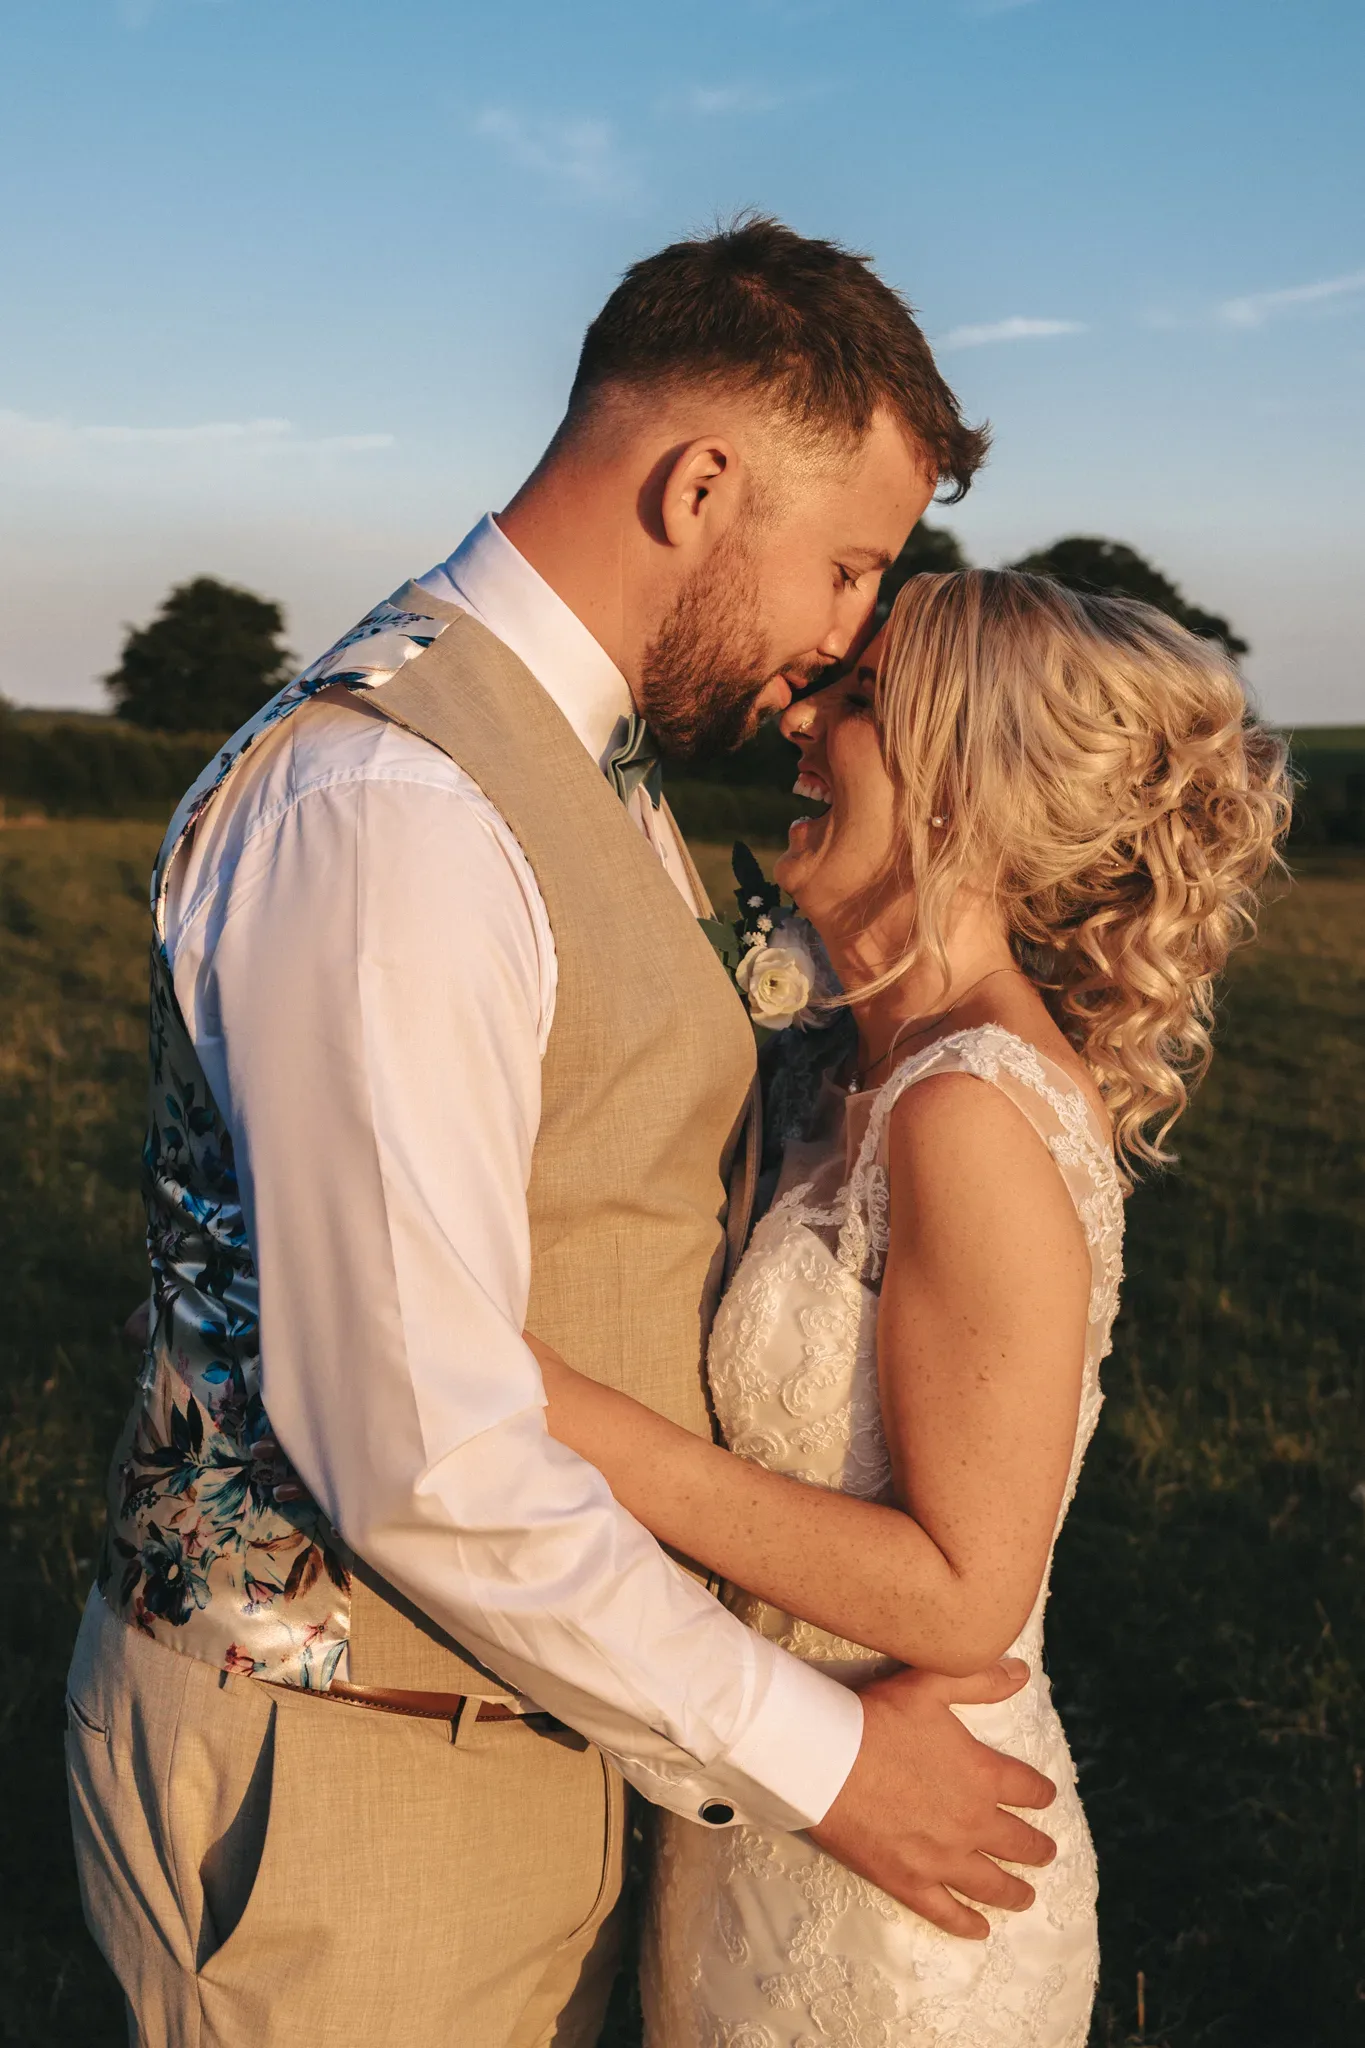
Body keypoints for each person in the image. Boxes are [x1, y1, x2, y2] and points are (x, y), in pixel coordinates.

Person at [65, 220, 1059, 2048]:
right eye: (846, 568)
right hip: (347, 1785)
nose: (845, 640)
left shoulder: (575, 765)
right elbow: (416, 1432)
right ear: (700, 484)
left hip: (532, 1752)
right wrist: (825, 1761)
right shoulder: (396, 809)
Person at [531, 568, 1291, 2045]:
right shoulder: (848, 1074)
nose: (802, 722)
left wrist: (550, 1411)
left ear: (963, 787)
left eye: (861, 702)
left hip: (904, 1891)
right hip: (770, 1819)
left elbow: (964, 1588)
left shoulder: (971, 1112)